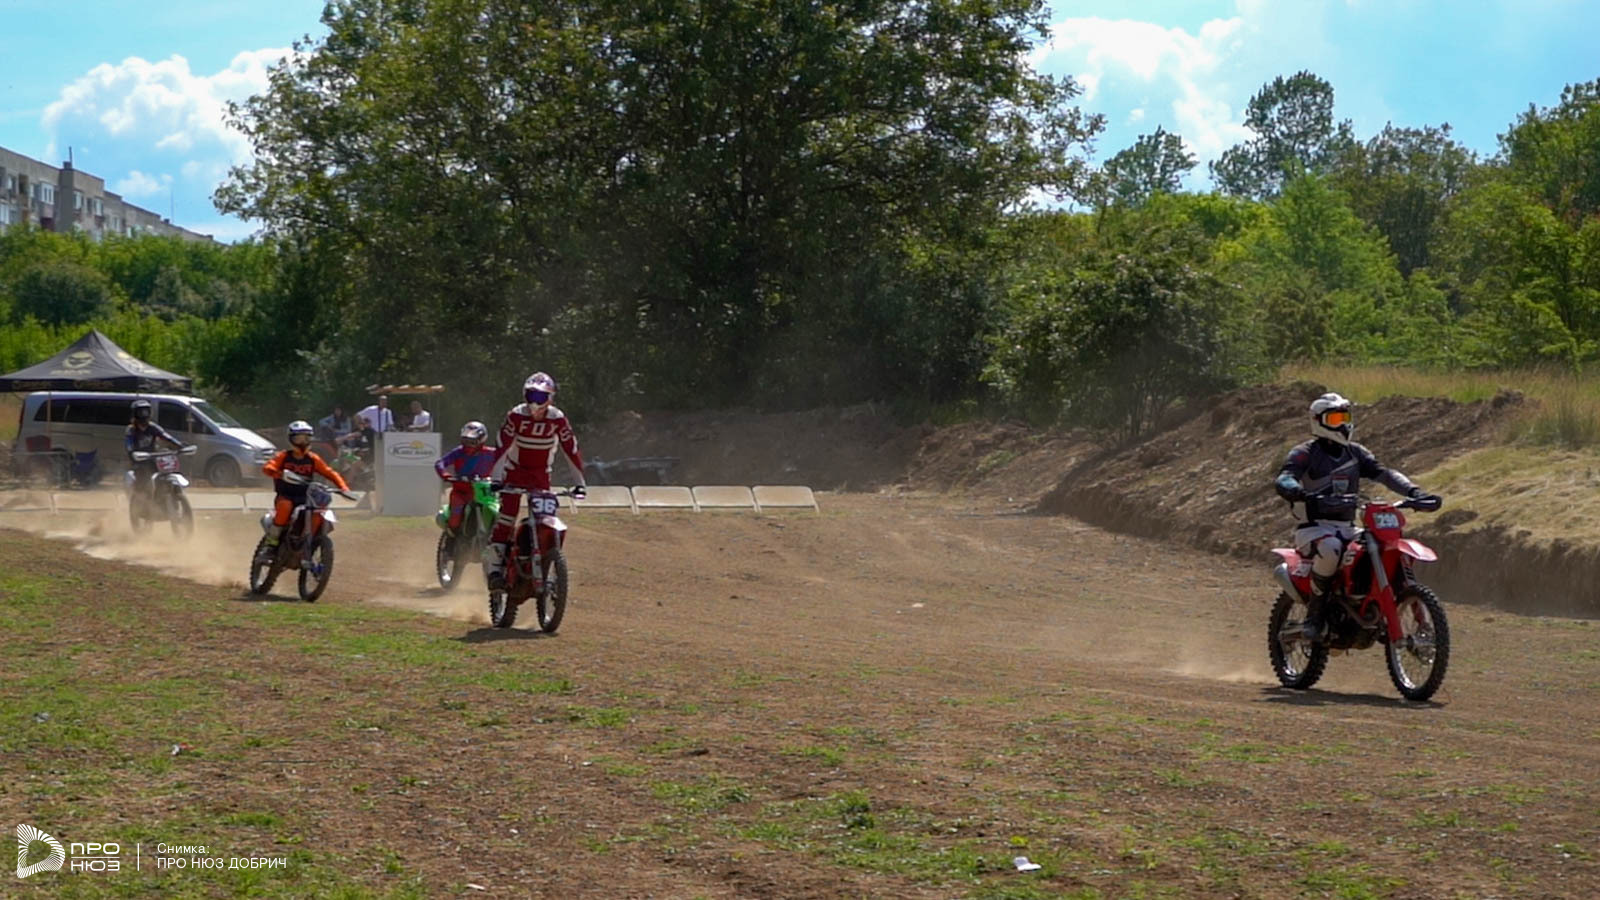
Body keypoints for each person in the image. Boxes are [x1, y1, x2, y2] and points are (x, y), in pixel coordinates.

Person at [1273, 393, 1440, 641]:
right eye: (1335, 419)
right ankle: (1314, 615)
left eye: (1345, 417)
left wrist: (1415, 492)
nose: (1342, 424)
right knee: (1331, 549)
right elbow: (1285, 477)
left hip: (1348, 526)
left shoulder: (1355, 453)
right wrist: (1297, 491)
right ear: (1318, 421)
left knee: (1379, 547)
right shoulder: (1305, 453)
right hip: (1314, 528)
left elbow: (1384, 474)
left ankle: (1378, 605)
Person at [483, 372, 587, 589]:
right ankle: (494, 569)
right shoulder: (516, 415)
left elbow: (571, 448)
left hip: (541, 475)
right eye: (531, 396)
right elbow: (502, 446)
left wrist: (580, 483)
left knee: (546, 518)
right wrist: (496, 479)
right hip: (514, 472)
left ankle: (544, 558)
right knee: (507, 516)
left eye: (540, 397)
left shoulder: (557, 418)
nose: (534, 402)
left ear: (550, 398)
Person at [260, 420, 352, 554]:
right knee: (285, 507)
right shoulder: (284, 456)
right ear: (291, 439)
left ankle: (310, 539)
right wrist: (278, 473)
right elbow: (268, 467)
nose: (302, 442)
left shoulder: (313, 458)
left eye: (306, 438)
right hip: (286, 495)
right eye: (298, 439)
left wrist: (343, 488)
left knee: (319, 511)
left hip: (306, 497)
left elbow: (330, 473)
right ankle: (271, 543)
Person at [434, 421, 498, 537]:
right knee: (455, 517)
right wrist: (445, 475)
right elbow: (440, 463)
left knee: (500, 512)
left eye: (472, 441)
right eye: (465, 441)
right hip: (461, 492)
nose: (468, 445)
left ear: (481, 440)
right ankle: (451, 539)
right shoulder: (458, 452)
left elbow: (508, 460)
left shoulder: (491, 453)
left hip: (484, 492)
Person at [125, 399, 186, 503]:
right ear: (135, 414)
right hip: (139, 461)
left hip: (153, 458)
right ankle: (145, 502)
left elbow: (166, 437)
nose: (144, 415)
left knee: (166, 471)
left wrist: (179, 445)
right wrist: (132, 453)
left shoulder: (152, 427)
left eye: (146, 411)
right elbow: (129, 445)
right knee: (144, 481)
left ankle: (165, 495)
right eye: (140, 412)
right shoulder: (131, 430)